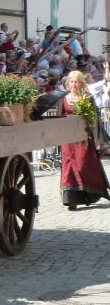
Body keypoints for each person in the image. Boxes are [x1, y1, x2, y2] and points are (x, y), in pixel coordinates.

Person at [60, 71, 110, 210]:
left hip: (84, 139)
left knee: (83, 165)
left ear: (81, 83)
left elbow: (94, 119)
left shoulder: (87, 97)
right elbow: (58, 118)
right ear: (68, 83)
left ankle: (89, 194)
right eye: (71, 82)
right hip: (67, 139)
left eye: (76, 82)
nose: (74, 84)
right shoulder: (63, 98)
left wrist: (97, 139)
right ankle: (71, 200)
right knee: (69, 167)